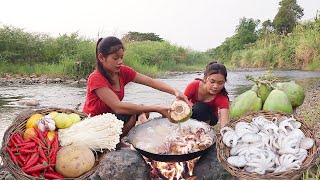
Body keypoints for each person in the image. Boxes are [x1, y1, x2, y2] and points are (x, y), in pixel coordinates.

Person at [83, 36, 189, 138]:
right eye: (115, 58)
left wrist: (175, 91)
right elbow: (118, 107)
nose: (120, 62)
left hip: (110, 116)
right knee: (132, 115)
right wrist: (157, 108)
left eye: (121, 57)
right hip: (93, 122)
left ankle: (131, 131)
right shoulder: (96, 78)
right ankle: (115, 143)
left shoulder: (122, 71)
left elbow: (151, 82)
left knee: (144, 111)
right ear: (101, 57)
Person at [184, 61, 230, 128]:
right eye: (212, 81)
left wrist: (226, 132)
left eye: (220, 83)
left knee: (200, 108)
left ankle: (204, 129)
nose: (215, 86)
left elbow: (224, 122)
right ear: (205, 79)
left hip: (210, 119)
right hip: (191, 112)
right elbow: (180, 100)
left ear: (224, 82)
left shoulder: (222, 97)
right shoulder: (194, 85)